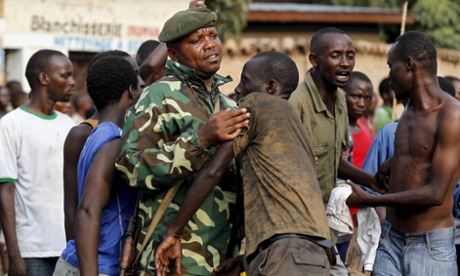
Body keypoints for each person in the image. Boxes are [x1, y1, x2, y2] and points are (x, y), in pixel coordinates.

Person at [155, 51, 331, 276]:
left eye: (245, 81)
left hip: (286, 253)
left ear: (270, 87)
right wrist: (245, 260)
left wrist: (173, 233)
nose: (238, 89)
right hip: (314, 254)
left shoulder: (257, 104)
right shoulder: (295, 126)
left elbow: (213, 171)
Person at [115, 7, 250, 275]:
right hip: (171, 259)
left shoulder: (227, 103)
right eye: (196, 41)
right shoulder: (159, 96)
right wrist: (200, 141)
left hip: (222, 258)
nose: (210, 45)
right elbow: (130, 168)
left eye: (213, 35)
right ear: (173, 54)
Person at [346, 31, 460, 276]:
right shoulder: (408, 108)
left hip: (430, 248)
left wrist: (372, 200)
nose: (388, 76)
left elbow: (436, 193)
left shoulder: (451, 115)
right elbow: (421, 151)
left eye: (391, 66)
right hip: (391, 239)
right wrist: (392, 162)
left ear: (409, 65)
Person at [288, 27, 381, 275]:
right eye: (336, 55)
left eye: (350, 56)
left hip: (326, 220)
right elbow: (288, 176)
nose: (345, 63)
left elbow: (334, 161)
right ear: (314, 60)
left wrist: (372, 181)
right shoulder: (296, 105)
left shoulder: (339, 99)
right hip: (299, 224)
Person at [54, 55, 140, 276]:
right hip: (97, 267)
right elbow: (88, 210)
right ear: (131, 91)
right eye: (139, 86)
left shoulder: (98, 133)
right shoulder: (113, 141)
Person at [0, 49, 76, 276]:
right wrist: (14, 255)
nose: (72, 82)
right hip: (30, 250)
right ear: (44, 79)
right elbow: (5, 191)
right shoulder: (12, 124)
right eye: (65, 76)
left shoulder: (69, 125)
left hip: (66, 249)